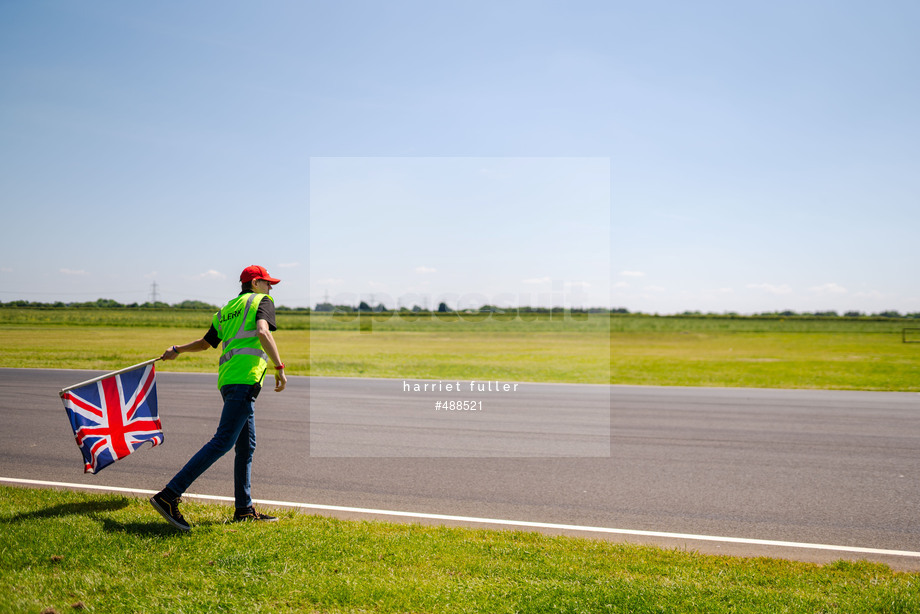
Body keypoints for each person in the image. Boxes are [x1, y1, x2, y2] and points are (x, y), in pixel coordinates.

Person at [150, 265, 287, 531]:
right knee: (223, 441)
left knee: (246, 446)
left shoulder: (226, 310)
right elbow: (263, 332)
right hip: (244, 379)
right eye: (268, 283)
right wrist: (279, 367)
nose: (271, 288)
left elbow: (205, 343)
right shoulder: (262, 301)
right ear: (256, 283)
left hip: (228, 380)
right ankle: (169, 495)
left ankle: (244, 510)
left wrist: (177, 349)